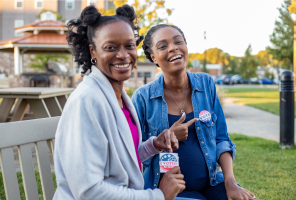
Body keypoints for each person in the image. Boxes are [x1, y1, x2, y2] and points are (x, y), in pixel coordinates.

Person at [53, 6, 186, 200]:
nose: (123, 55)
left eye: (129, 46)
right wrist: (158, 196)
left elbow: (119, 159)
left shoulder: (117, 95)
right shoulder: (87, 101)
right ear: (93, 51)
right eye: (111, 47)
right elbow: (89, 191)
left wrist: (154, 145)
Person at [131, 24, 257, 200]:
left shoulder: (206, 84)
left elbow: (221, 139)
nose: (173, 48)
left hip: (211, 183)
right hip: (167, 191)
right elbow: (134, 155)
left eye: (178, 42)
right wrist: (165, 138)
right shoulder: (143, 98)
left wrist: (230, 183)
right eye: (163, 46)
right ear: (153, 57)